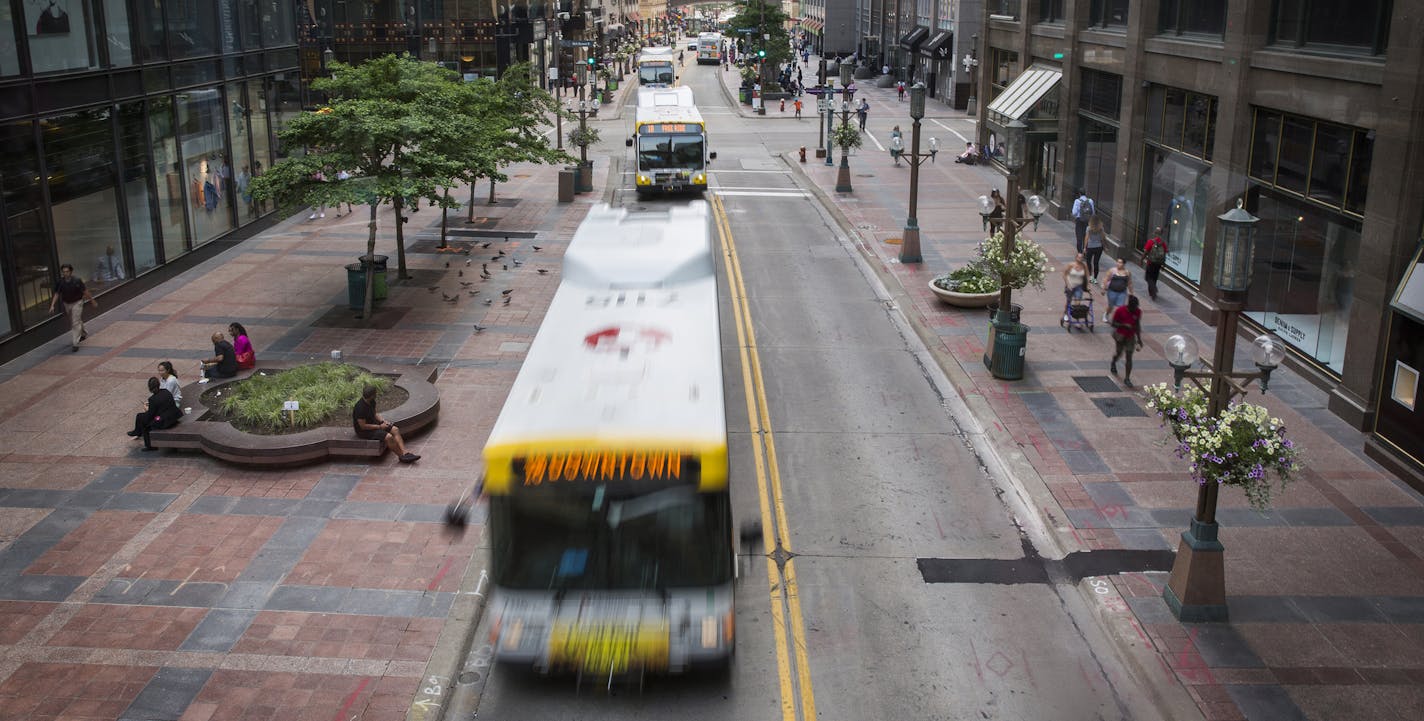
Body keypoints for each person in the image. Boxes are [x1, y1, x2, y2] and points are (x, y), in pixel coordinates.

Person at [353, 384, 420, 463]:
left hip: (374, 424)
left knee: (395, 429)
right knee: (388, 437)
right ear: (372, 395)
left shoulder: (371, 401)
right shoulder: (360, 408)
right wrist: (380, 427)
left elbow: (374, 414)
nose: (376, 395)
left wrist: (383, 421)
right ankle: (401, 456)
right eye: (375, 393)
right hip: (364, 431)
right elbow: (363, 426)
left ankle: (405, 452)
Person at [49, 264, 96, 353]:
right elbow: (57, 294)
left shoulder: (77, 281)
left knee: (75, 322)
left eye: (67, 271)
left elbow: (85, 291)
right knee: (76, 320)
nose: (65, 273)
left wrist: (92, 300)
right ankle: (83, 333)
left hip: (77, 302)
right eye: (63, 272)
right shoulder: (60, 282)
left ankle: (75, 343)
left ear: (71, 272)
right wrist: (52, 305)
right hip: (67, 304)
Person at [128, 377, 182, 451]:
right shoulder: (166, 391)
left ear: (149, 388)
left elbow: (150, 415)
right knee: (142, 418)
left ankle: (148, 444)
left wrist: (147, 409)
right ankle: (138, 431)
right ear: (159, 385)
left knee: (142, 420)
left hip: (163, 420)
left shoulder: (152, 399)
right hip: (173, 416)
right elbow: (163, 406)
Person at [1110, 295, 1144, 388]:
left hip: (1130, 337)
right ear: (1129, 306)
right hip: (1120, 335)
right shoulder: (1120, 310)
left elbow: (1137, 325)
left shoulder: (1138, 312)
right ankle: (1113, 362)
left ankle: (1127, 378)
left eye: (1136, 307)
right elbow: (1113, 323)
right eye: (1133, 307)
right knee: (1119, 353)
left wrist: (1139, 339)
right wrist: (1124, 325)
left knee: (1129, 356)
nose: (1135, 309)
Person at [1101, 257, 1134, 322]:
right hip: (1112, 291)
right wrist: (1103, 289)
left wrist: (1131, 292)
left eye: (1120, 262)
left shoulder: (1127, 272)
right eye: (1118, 262)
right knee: (1111, 306)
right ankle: (1106, 314)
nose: (1118, 264)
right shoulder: (1112, 270)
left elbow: (1129, 283)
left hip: (1122, 292)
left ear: (1124, 264)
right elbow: (1106, 279)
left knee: (1121, 307)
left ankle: (1118, 318)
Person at [1140, 227, 1168, 300]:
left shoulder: (1151, 241)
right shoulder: (1163, 243)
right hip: (1158, 264)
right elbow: (1164, 254)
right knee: (1154, 278)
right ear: (1161, 234)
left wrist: (1141, 260)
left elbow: (1145, 252)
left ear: (1155, 233)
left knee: (1148, 277)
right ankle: (1152, 292)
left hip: (1151, 262)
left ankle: (1153, 289)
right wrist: (1163, 265)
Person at [1084, 215, 1106, 282]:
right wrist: (1104, 247)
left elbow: (1086, 238)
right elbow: (1102, 238)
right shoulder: (1101, 228)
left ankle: (1090, 276)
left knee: (1088, 261)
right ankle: (1095, 278)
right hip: (1099, 247)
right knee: (1096, 262)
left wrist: (1085, 247)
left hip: (1090, 247)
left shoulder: (1089, 228)